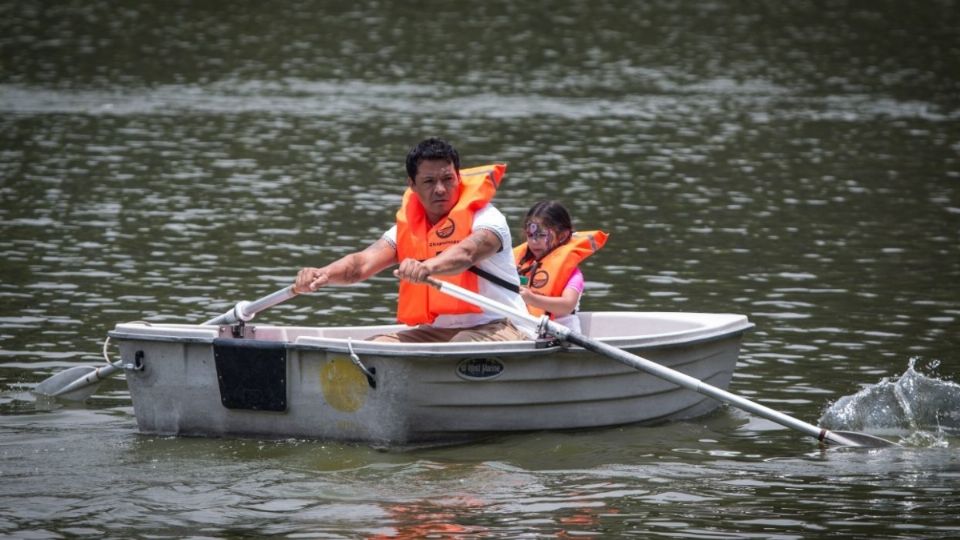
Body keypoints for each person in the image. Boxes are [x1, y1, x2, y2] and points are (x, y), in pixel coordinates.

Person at [294, 138, 529, 342]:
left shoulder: (488, 218)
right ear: (412, 185)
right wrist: (322, 274)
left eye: (447, 179)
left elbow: (466, 254)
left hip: (501, 325)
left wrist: (426, 267)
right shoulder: (406, 229)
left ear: (458, 177)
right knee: (375, 347)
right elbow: (360, 265)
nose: (440, 189)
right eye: (429, 181)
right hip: (437, 331)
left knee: (461, 345)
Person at [513, 201, 608, 333]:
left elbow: (567, 306)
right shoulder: (519, 265)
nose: (534, 241)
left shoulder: (572, 273)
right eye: (530, 235)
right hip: (527, 330)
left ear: (562, 236)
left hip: (560, 337)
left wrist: (532, 299)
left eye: (542, 235)